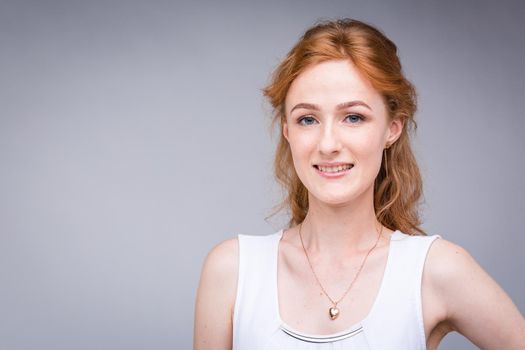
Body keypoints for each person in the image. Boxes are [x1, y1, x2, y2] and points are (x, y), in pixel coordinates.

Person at [193, 18, 525, 349]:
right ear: (287, 131)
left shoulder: (435, 270)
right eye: (307, 119)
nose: (327, 144)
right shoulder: (231, 271)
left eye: (353, 117)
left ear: (392, 129)